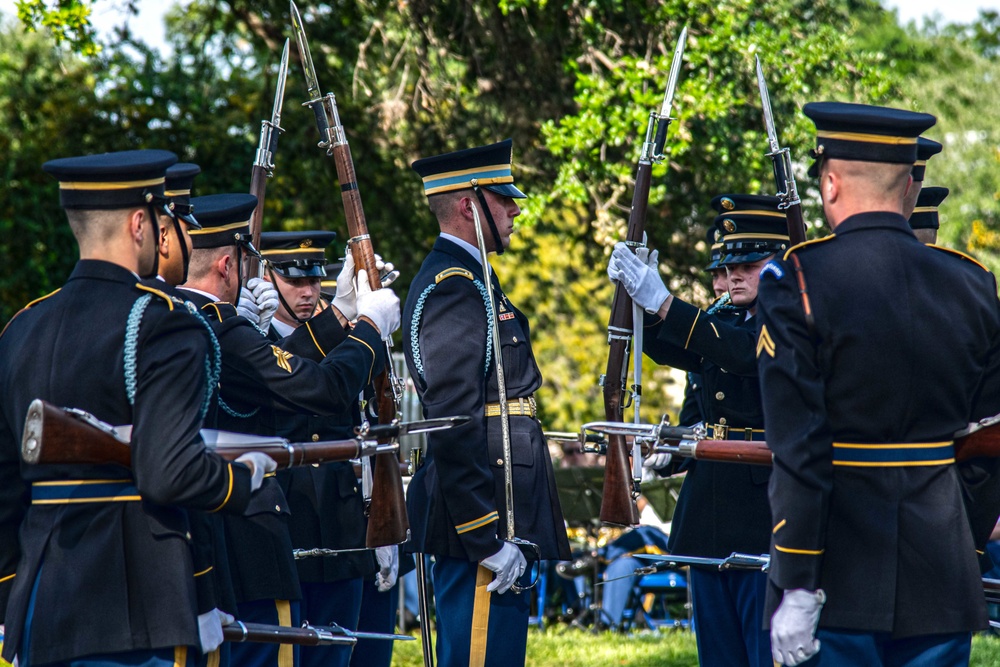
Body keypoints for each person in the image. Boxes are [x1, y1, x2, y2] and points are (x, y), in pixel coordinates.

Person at [0, 149, 273, 666]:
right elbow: (169, 473)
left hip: (39, 607)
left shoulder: (22, 328)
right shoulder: (165, 323)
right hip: (140, 608)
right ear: (140, 223)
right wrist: (245, 482)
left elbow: (5, 486)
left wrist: (12, 594)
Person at [756, 102, 1000, 666]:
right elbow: (991, 439)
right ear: (909, 188)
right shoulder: (972, 283)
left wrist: (796, 578)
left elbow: (799, 448)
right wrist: (963, 533)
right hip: (940, 572)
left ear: (832, 183)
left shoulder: (797, 279)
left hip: (832, 577)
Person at [179, 197, 399, 667]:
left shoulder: (173, 318)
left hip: (211, 540)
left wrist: (339, 313)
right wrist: (368, 326)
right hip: (251, 538)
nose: (305, 288)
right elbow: (321, 387)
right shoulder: (222, 328)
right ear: (227, 264)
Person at [402, 139, 571, 667]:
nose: (516, 208)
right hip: (485, 523)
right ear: (470, 206)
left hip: (503, 512)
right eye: (504, 198)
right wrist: (485, 536)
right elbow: (452, 421)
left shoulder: (474, 280)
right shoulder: (455, 286)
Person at [607, 194, 787, 666]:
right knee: (719, 654)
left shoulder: (793, 319)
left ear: (782, 259)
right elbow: (683, 359)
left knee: (763, 651)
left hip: (766, 514)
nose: (733, 277)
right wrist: (641, 303)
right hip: (711, 513)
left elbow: (743, 354)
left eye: (749, 263)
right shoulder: (722, 320)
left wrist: (663, 301)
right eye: (727, 268)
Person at [258, 231, 398, 667]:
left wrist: (385, 524)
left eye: (315, 279)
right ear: (267, 277)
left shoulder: (348, 339)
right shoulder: (251, 335)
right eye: (294, 280)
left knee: (348, 655)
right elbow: (296, 375)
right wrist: (346, 318)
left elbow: (376, 424)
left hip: (342, 526)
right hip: (287, 523)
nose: (308, 291)